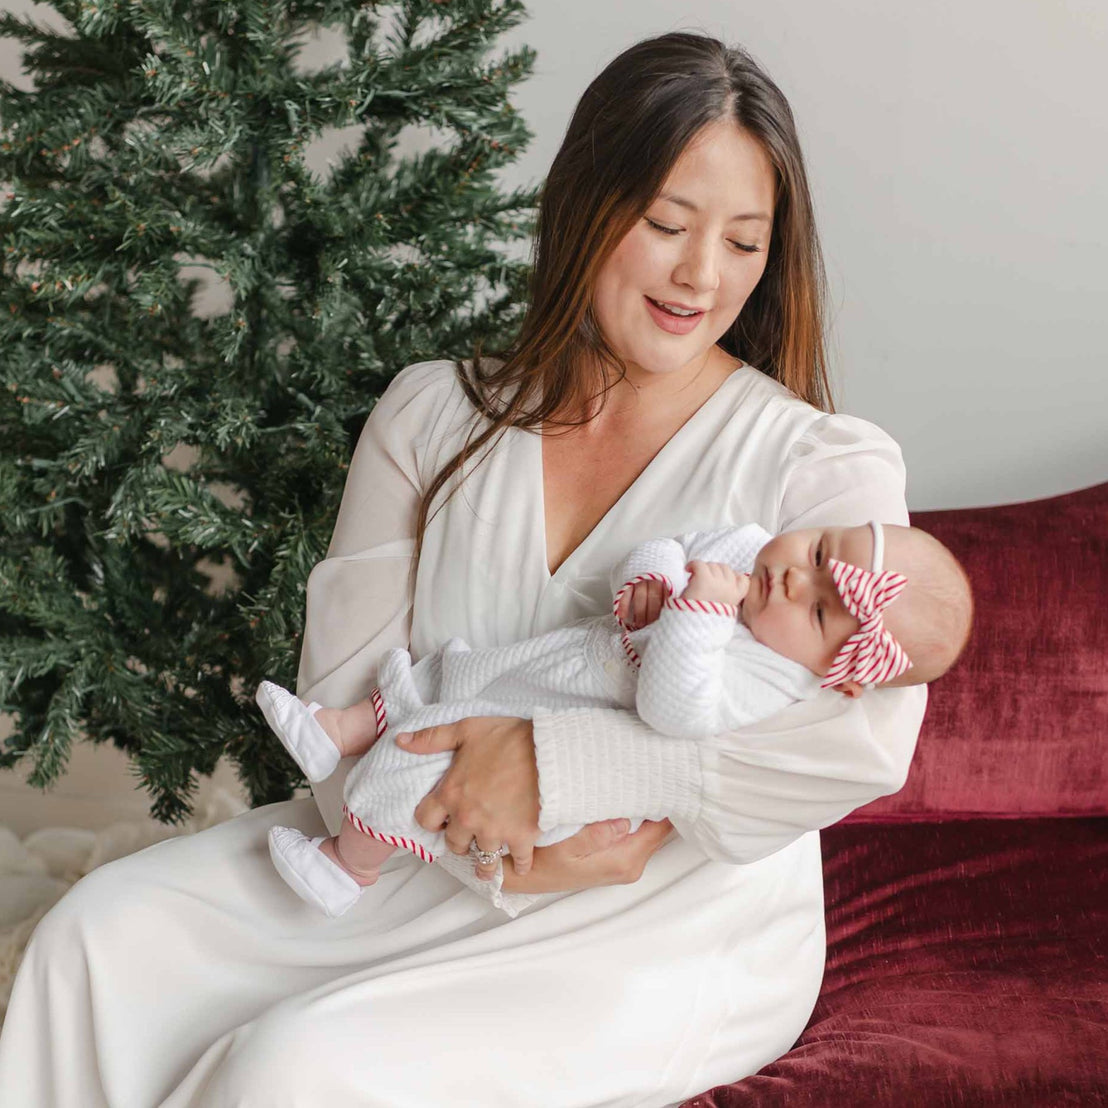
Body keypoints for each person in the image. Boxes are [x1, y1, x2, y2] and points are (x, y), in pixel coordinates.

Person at [0, 32, 930, 1107]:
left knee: (291, 1071)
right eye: (666, 224)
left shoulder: (820, 465)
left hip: (656, 915)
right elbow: (343, 693)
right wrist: (488, 837)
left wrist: (564, 774)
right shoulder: (433, 414)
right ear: (581, 206)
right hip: (398, 848)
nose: (699, 275)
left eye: (743, 242)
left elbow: (861, 741)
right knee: (93, 938)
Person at [257, 520, 971, 918]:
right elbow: (674, 544)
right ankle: (339, 731)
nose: (793, 577)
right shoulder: (751, 554)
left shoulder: (769, 678)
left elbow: (675, 709)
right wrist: (655, 580)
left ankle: (348, 865)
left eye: (818, 611)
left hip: (570, 721)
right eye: (818, 554)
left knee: (431, 758)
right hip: (562, 662)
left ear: (837, 676)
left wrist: (700, 611)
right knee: (452, 672)